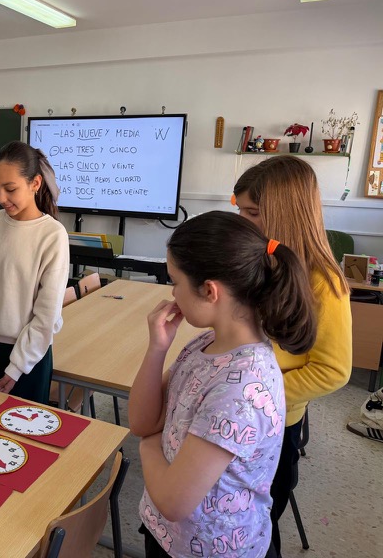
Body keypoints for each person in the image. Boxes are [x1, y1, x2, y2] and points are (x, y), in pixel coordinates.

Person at [129, 211, 317, 558]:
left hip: (212, 550)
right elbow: (142, 421)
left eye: (175, 281)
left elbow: (172, 500)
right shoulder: (205, 344)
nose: (172, 293)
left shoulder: (242, 388)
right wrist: (157, 348)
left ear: (209, 290)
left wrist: (148, 445)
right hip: (169, 536)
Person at [233, 155, 352, 557]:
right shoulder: (261, 262)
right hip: (237, 413)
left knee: (257, 525)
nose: (243, 221)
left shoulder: (324, 283)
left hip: (273, 424)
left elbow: (332, 370)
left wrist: (257, 395)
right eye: (240, 210)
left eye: (252, 213)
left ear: (283, 214)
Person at [0, 141, 69, 404]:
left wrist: (18, 366)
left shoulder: (52, 234)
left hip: (27, 358)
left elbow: (47, 314)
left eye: (10, 189)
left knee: (21, 427)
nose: (0, 198)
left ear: (35, 183)